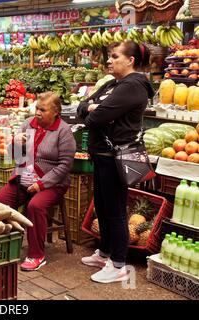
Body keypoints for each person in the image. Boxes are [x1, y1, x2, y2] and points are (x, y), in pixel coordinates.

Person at [77, 40, 153, 284]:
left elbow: (96, 117)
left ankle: (119, 264)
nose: (109, 61)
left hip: (116, 157)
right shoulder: (113, 84)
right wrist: (92, 106)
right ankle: (105, 252)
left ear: (130, 60)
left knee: (116, 211)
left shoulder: (133, 86)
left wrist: (94, 108)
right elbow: (82, 108)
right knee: (102, 205)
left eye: (115, 56)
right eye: (109, 56)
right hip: (101, 155)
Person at [0, 91, 76, 271]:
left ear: (55, 112)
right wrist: (14, 143)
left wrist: (41, 184)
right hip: (23, 178)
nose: (37, 113)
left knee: (35, 206)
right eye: (37, 108)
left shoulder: (64, 131)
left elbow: (65, 165)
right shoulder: (27, 124)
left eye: (42, 110)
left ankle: (37, 255)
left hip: (52, 183)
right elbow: (13, 156)